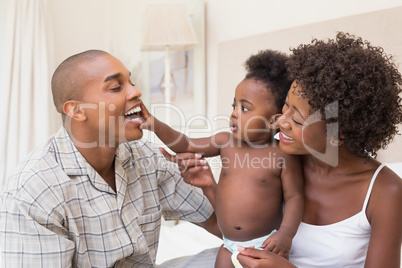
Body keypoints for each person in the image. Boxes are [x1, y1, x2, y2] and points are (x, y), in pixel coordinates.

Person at [0, 50, 221, 267]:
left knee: (233, 259)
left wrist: (211, 187)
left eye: (131, 82)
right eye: (116, 87)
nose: (136, 92)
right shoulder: (33, 191)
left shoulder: (147, 157)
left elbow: (219, 223)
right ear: (77, 110)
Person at [206, 32, 401, 267]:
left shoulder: (385, 192)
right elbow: (239, 235)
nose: (281, 122)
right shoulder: (282, 160)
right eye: (285, 106)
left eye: (297, 120)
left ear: (338, 134)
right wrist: (210, 187)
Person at [140, 50, 304, 268]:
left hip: (264, 248)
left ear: (274, 121)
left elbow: (295, 198)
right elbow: (186, 144)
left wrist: (286, 234)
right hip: (228, 246)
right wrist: (156, 125)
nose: (235, 113)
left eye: (244, 108)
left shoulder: (282, 155)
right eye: (234, 105)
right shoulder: (225, 142)